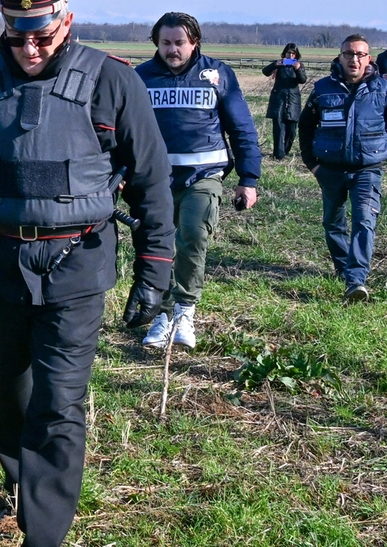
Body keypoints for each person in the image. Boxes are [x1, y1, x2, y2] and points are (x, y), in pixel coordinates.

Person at [0, 0, 174, 543]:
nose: (29, 49)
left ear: (67, 22)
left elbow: (151, 179)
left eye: (43, 38)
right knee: (13, 388)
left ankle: (42, 532)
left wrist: (156, 269)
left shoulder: (112, 81)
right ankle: (21, 483)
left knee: (59, 399)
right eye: (17, 35)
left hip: (78, 261)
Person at [136, 12, 261, 348]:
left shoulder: (217, 75)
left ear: (194, 42)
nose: (172, 50)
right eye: (165, 43)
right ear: (156, 43)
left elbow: (241, 128)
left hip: (203, 177)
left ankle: (184, 312)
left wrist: (248, 179)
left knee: (192, 236)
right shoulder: (141, 78)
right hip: (155, 182)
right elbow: (123, 131)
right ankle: (161, 317)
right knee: (157, 247)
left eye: (179, 43)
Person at [298, 34, 387, 303]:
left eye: (360, 54)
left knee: (364, 220)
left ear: (369, 58)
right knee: (333, 222)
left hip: (368, 168)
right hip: (330, 169)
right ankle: (343, 267)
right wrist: (312, 164)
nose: (354, 59)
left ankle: (356, 279)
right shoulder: (323, 88)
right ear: (339, 57)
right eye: (349, 54)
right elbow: (305, 126)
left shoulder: (383, 90)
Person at [262, 43, 307, 160]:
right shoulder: (279, 64)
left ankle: (285, 151)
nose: (290, 55)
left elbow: (302, 80)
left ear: (296, 55)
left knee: (292, 129)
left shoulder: (299, 65)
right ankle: (278, 155)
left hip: (293, 99)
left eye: (293, 53)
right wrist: (275, 64)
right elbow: (265, 71)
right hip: (279, 98)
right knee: (278, 127)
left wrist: (297, 69)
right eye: (288, 53)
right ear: (284, 53)